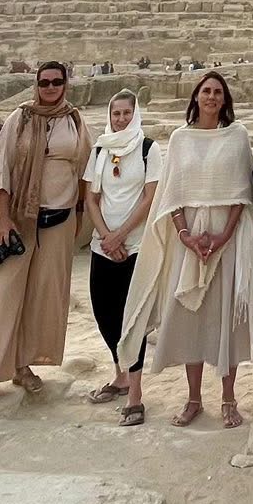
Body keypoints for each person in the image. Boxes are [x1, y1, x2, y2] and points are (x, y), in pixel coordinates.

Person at [118, 71, 253, 427]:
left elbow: (243, 194)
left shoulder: (236, 137)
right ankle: (194, 398)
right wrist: (185, 235)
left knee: (226, 318)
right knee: (191, 318)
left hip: (225, 240)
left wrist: (224, 236)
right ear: (196, 97)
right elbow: (173, 193)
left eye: (218, 92)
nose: (212, 97)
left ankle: (229, 398)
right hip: (191, 239)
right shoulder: (181, 139)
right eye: (206, 91)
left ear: (225, 100)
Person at [0, 60, 86, 423]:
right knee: (4, 297)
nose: (50, 88)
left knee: (42, 297)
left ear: (65, 84)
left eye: (56, 82)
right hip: (18, 221)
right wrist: (1, 219)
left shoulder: (75, 120)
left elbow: (86, 170)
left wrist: (84, 217)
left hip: (59, 222)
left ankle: (23, 365)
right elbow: (0, 168)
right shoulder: (20, 118)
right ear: (36, 85)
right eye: (44, 82)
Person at [84, 90, 163, 427]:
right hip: (103, 244)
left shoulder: (148, 148)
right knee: (104, 313)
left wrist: (121, 235)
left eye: (126, 113)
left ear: (136, 114)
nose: (120, 119)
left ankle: (135, 396)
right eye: (116, 113)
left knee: (132, 320)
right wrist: (105, 235)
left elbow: (150, 198)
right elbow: (91, 198)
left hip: (134, 246)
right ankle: (119, 376)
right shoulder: (100, 148)